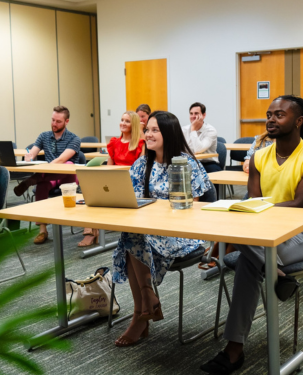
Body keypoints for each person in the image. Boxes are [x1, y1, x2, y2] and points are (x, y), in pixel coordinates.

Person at [201, 96, 303, 374]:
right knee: (250, 255)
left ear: (298, 121)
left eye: (279, 115)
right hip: (261, 234)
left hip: (301, 235)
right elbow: (253, 201)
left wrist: (250, 217)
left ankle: (234, 350)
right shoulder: (260, 156)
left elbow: (298, 206)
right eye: (269, 114)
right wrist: (248, 215)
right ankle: (275, 274)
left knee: (242, 249)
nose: (271, 119)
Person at [112, 111, 211, 347]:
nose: (148, 134)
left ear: (169, 133)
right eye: (147, 130)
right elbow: (130, 197)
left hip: (181, 234)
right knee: (133, 235)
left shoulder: (185, 163)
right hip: (147, 231)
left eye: (155, 130)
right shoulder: (142, 163)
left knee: (131, 238)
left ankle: (143, 309)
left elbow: (193, 209)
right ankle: (144, 305)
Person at [13, 106, 81, 244]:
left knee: (67, 164)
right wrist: (29, 156)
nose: (54, 124)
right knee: (42, 186)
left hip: (68, 180)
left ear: (66, 121)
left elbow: (61, 160)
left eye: (58, 121)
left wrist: (43, 169)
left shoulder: (74, 139)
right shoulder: (44, 136)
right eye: (52, 120)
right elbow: (33, 152)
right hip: (50, 177)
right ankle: (42, 230)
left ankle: (33, 179)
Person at [78, 111, 146, 247]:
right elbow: (109, 166)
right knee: (92, 192)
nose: (123, 123)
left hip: (130, 181)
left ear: (133, 124)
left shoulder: (139, 143)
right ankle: (91, 230)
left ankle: (92, 231)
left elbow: (141, 168)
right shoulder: (114, 142)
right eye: (122, 120)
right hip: (114, 178)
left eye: (127, 121)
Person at [182, 102, 221, 173]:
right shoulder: (184, 130)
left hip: (207, 163)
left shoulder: (211, 130)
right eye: (191, 113)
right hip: (189, 162)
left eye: (196, 113)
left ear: (203, 115)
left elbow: (198, 149)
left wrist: (193, 129)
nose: (193, 116)